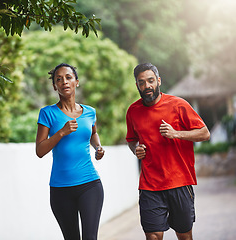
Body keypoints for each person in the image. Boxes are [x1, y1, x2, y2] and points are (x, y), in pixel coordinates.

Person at [125, 63, 210, 240]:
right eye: (142, 82)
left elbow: (204, 133)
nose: (147, 86)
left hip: (179, 181)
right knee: (153, 236)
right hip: (150, 185)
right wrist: (136, 149)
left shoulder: (178, 105)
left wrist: (176, 133)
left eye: (150, 81)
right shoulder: (133, 111)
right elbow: (131, 140)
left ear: (158, 81)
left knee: (184, 235)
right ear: (137, 86)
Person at [36, 63, 105, 240]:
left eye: (68, 77)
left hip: (89, 184)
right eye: (59, 79)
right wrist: (61, 132)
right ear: (54, 86)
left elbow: (93, 134)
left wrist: (97, 147)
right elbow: (40, 150)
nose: (64, 82)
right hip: (61, 189)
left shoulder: (90, 112)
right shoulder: (47, 113)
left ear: (76, 82)